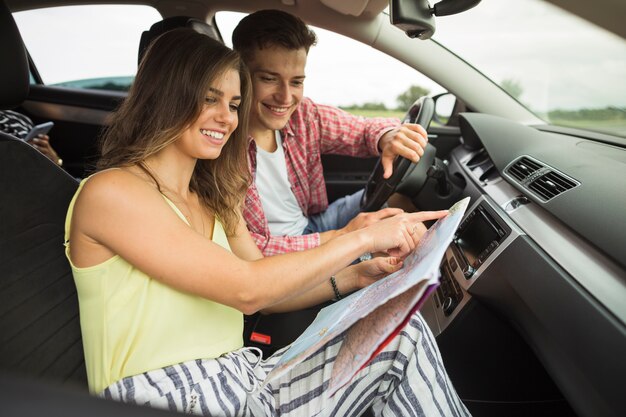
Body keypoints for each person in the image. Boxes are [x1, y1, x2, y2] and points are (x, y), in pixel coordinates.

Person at [64, 28, 470, 416]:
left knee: (402, 333)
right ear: (167, 97)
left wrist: (356, 276)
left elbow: (267, 288)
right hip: (165, 395)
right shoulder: (112, 193)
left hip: (240, 381)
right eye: (210, 100)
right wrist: (357, 238)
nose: (227, 118)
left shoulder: (212, 198)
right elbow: (248, 290)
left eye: (235, 104)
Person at [232, 9, 430, 256]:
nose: (285, 97)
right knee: (390, 257)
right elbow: (249, 250)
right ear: (241, 75)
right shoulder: (221, 142)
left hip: (312, 225)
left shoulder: (303, 115)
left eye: (296, 82)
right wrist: (345, 238)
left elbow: (363, 130)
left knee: (401, 203)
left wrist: (387, 136)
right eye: (269, 79)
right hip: (284, 255)